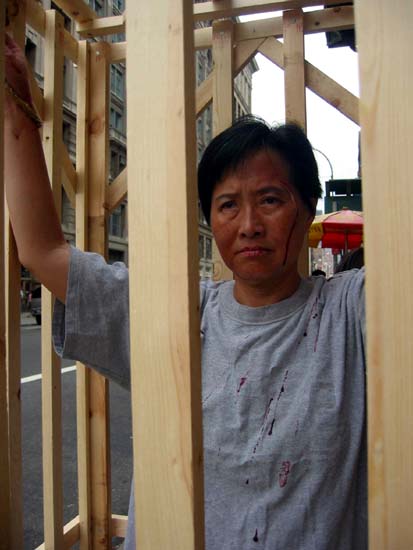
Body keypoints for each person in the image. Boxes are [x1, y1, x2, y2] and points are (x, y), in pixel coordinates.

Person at [4, 34, 366, 550]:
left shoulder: (352, 312)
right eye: (227, 205)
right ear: (211, 220)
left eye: (270, 199)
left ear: (308, 208)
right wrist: (16, 105)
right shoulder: (179, 313)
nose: (249, 224)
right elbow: (42, 251)